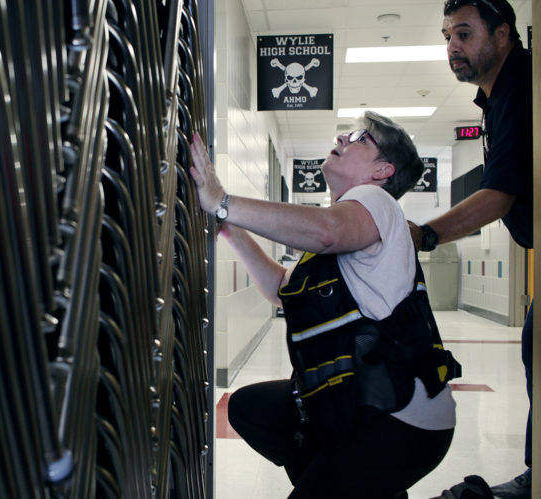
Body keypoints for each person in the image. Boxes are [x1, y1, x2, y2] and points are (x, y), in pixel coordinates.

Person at [189, 111, 461, 498]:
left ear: (383, 170)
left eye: (361, 139)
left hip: (399, 419)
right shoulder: (348, 222)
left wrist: (223, 202)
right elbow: (283, 288)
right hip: (356, 403)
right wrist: (231, 229)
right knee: (252, 409)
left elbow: (326, 232)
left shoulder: (376, 202)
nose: (343, 139)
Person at [412, 1, 533, 496]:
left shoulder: (522, 90)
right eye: (447, 36)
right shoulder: (497, 98)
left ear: (503, 35)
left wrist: (423, 235)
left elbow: (498, 193)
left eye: (464, 34)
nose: (452, 47)